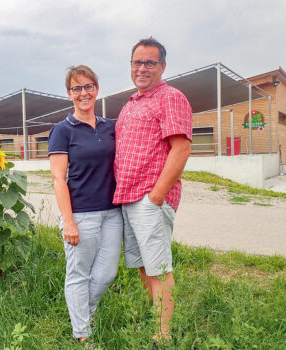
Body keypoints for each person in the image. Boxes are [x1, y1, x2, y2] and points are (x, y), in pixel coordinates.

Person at [113, 37, 192, 349]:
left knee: (159, 268)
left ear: (163, 66)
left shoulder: (170, 98)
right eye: (137, 62)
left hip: (149, 198)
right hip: (129, 197)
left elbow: (181, 148)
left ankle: (162, 338)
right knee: (146, 268)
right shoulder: (132, 103)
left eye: (149, 62)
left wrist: (156, 196)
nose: (142, 68)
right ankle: (155, 322)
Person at [48, 65, 123, 343]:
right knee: (79, 274)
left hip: (112, 213)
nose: (84, 93)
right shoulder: (62, 131)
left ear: (97, 89)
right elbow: (58, 179)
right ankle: (82, 333)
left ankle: (84, 313)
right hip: (80, 214)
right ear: (69, 94)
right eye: (77, 88)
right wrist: (68, 221)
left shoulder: (111, 126)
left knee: (106, 274)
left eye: (88, 86)